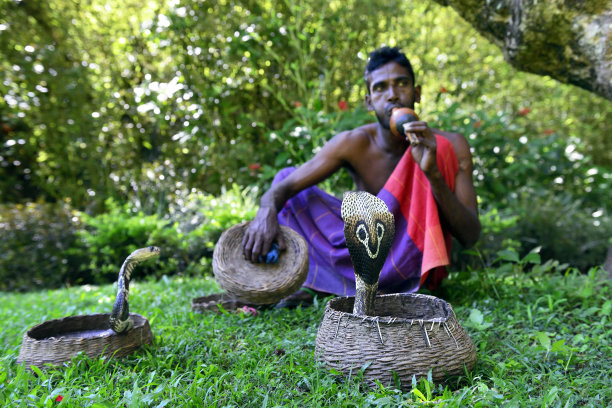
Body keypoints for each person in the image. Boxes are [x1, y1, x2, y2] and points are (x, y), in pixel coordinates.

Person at [242, 46, 481, 307]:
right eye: (380, 88)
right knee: (286, 183)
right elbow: (283, 187)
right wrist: (265, 213)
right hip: (362, 254)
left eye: (402, 84)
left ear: (417, 93)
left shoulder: (450, 145)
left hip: (412, 264)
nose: (393, 95)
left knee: (439, 150)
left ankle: (382, 287)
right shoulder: (353, 143)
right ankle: (323, 283)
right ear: (369, 101)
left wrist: (432, 174)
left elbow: (470, 236)